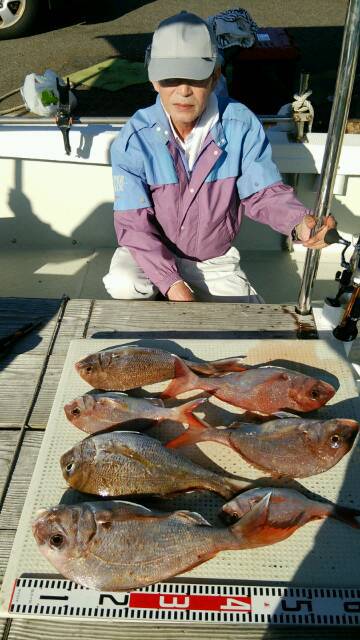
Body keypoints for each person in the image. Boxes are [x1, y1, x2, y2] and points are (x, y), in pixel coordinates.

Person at [103, 11, 335, 302]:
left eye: (196, 78)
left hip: (213, 262)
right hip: (148, 256)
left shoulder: (241, 123)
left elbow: (264, 193)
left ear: (215, 77)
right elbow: (133, 226)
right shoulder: (134, 138)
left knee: (250, 330)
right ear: (154, 81)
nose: (184, 91)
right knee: (123, 282)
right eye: (171, 78)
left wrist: (300, 224)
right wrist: (174, 285)